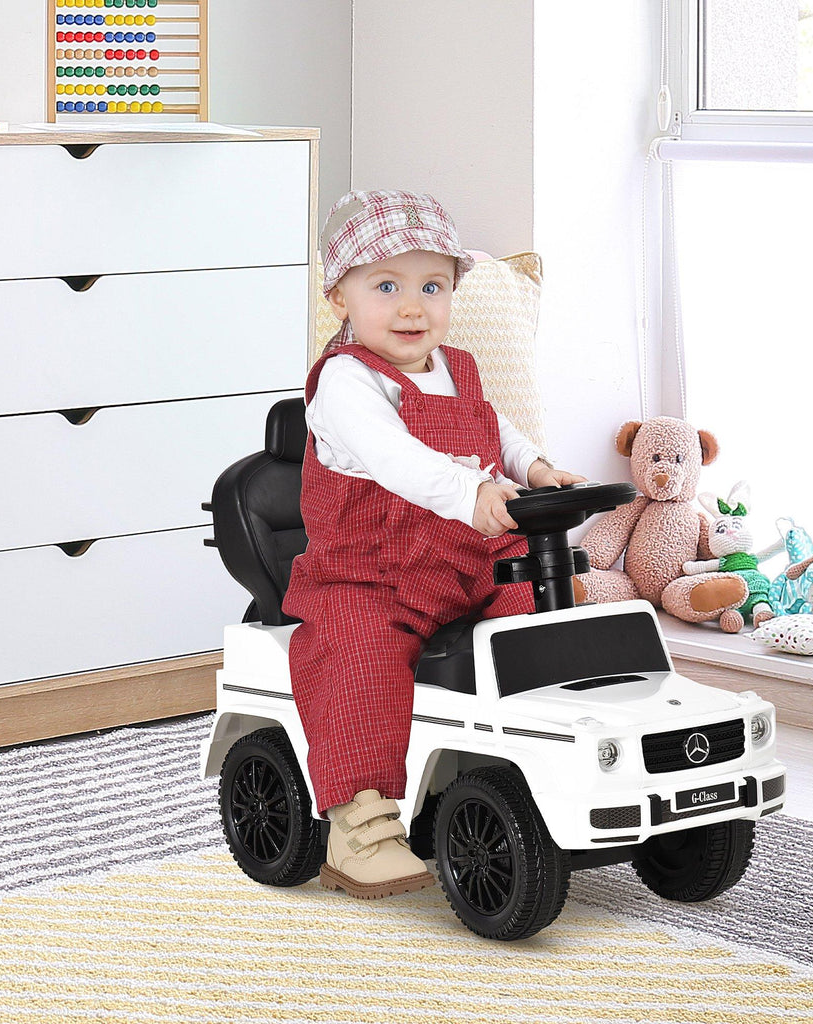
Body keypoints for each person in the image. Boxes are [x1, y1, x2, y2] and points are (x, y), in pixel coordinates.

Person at [282, 189, 585, 900]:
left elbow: (495, 428)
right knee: (358, 654)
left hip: (465, 562)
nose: (412, 308)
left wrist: (533, 468)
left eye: (432, 287)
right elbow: (398, 460)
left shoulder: (459, 367)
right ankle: (358, 823)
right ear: (340, 296)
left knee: (550, 612)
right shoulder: (346, 382)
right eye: (386, 287)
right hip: (370, 574)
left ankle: (551, 758)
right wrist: (472, 493)